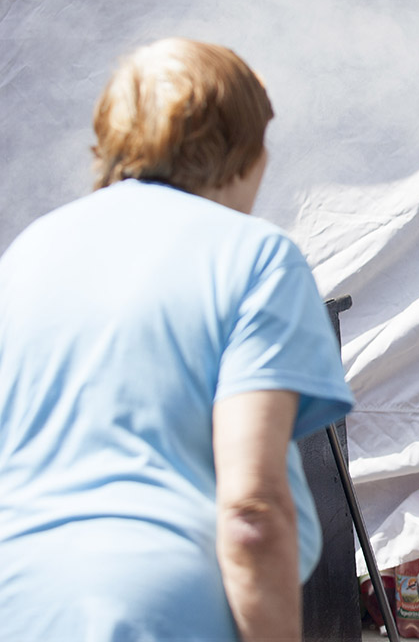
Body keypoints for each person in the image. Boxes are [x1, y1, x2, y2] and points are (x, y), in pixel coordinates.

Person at [0, 38, 354, 641]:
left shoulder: (29, 250)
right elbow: (251, 513)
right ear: (244, 150)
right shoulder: (256, 257)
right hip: (168, 612)